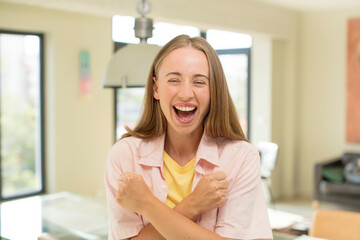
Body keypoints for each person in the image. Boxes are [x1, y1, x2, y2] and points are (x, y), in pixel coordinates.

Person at [104, 34, 273, 240]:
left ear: (214, 91)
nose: (186, 93)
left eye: (199, 82)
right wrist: (193, 204)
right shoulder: (124, 155)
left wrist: (147, 204)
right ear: (156, 88)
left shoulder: (241, 157)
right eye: (174, 80)